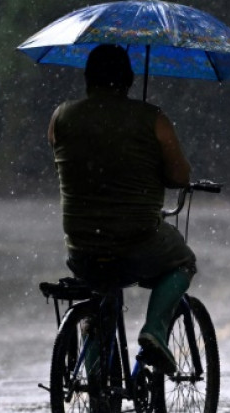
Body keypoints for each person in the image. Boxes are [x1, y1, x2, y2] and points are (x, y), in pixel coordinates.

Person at [48, 43, 196, 374]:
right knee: (183, 261)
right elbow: (179, 176)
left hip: (82, 248)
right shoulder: (153, 119)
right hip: (137, 245)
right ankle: (154, 332)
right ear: (128, 80)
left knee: (103, 289)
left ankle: (98, 382)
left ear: (88, 79)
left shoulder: (61, 117)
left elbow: (67, 161)